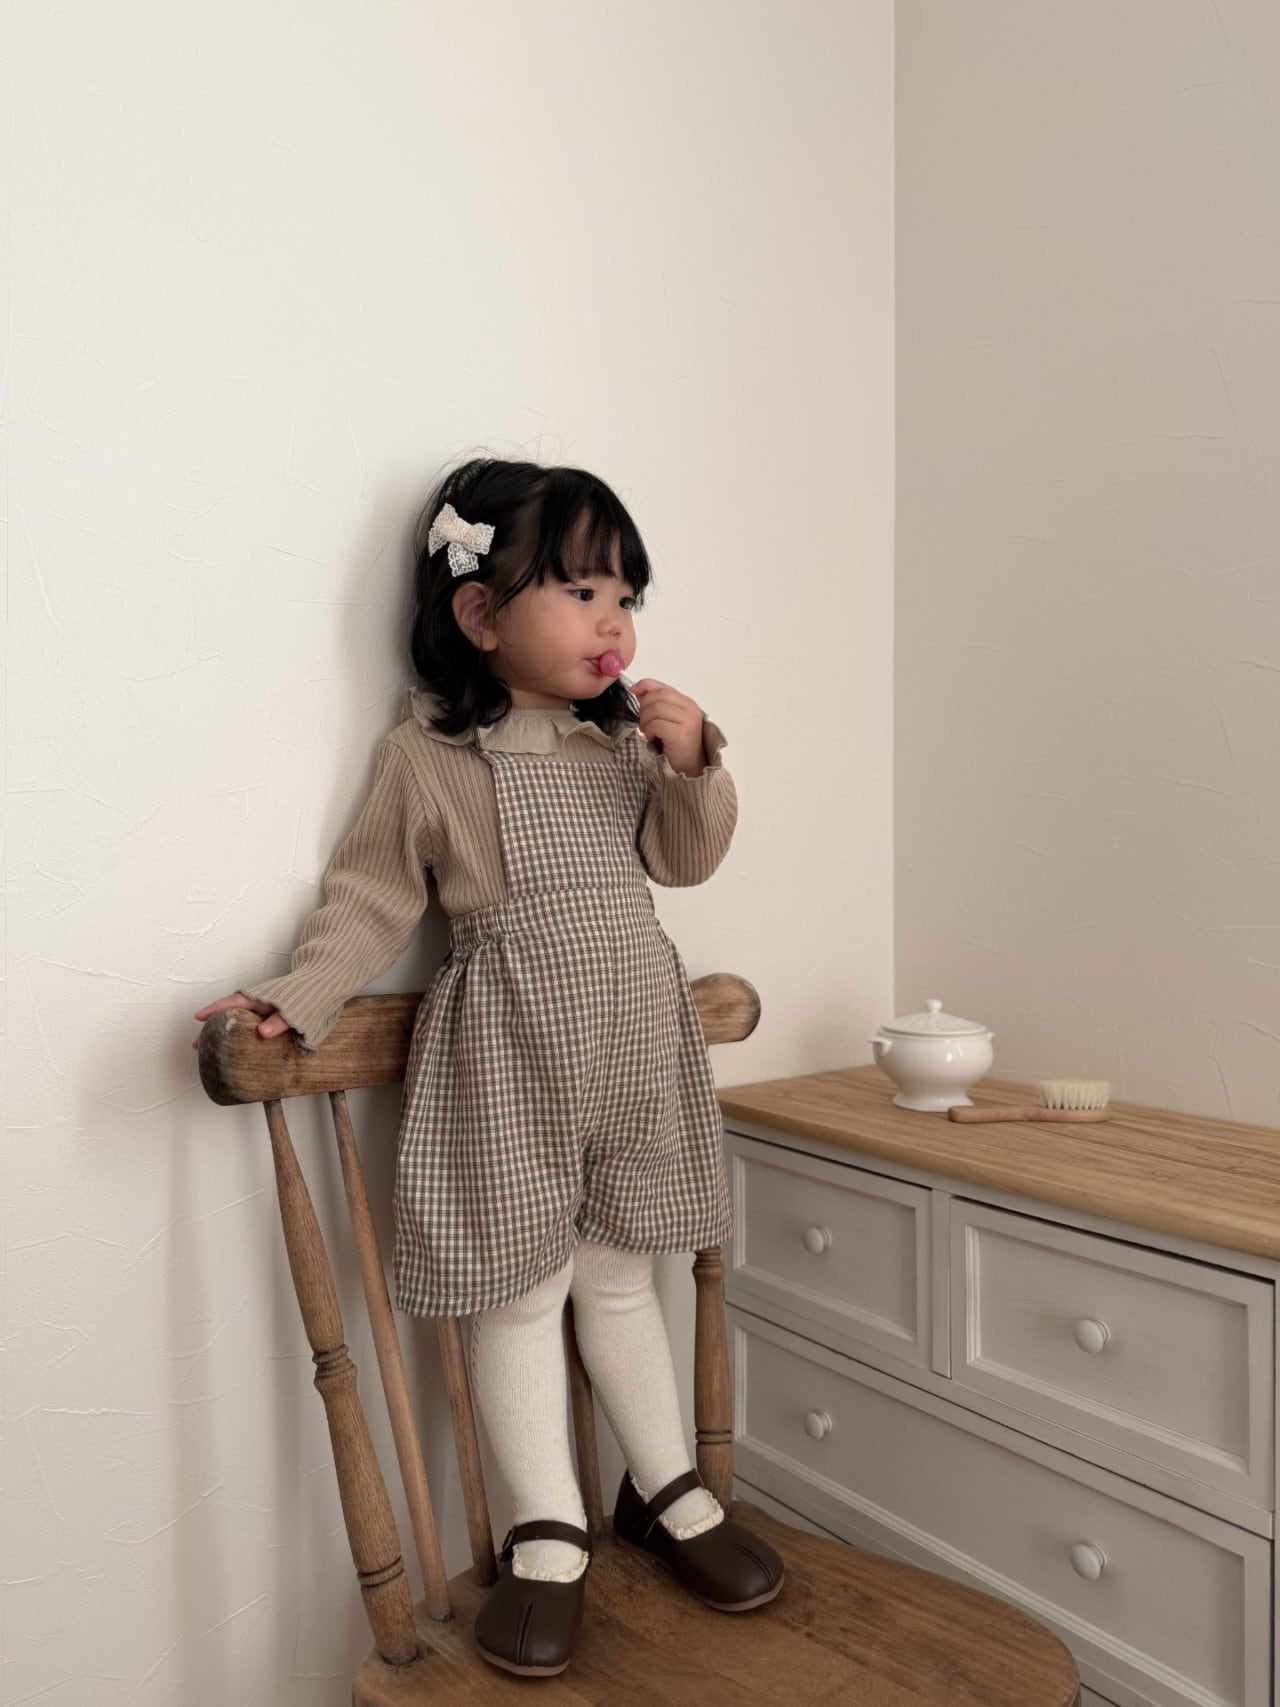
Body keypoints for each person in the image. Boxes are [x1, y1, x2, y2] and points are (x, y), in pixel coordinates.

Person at [193, 457, 783, 1677]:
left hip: (633, 1047)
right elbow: (369, 895)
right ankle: (546, 1531)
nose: (613, 621)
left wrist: (692, 763)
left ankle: (664, 1487)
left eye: (625, 595)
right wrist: (298, 996)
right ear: (479, 613)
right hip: (509, 1059)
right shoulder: (432, 758)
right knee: (518, 1291)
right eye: (581, 591)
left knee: (621, 1278)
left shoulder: (617, 747)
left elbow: (683, 862)